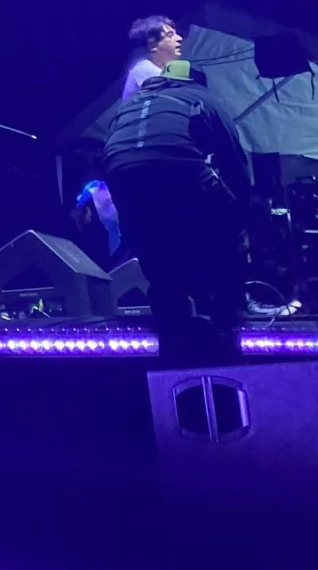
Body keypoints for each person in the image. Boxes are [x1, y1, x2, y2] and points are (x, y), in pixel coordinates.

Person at [99, 68, 251, 362]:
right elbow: (233, 160)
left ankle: (171, 320)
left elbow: (116, 148)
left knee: (154, 247)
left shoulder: (129, 105)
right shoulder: (201, 96)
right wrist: (242, 213)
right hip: (175, 166)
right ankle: (227, 316)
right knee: (224, 228)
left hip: (119, 172)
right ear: (195, 81)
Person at [123, 15, 185, 99]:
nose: (179, 38)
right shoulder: (143, 69)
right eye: (170, 35)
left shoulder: (166, 70)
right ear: (153, 45)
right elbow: (174, 97)